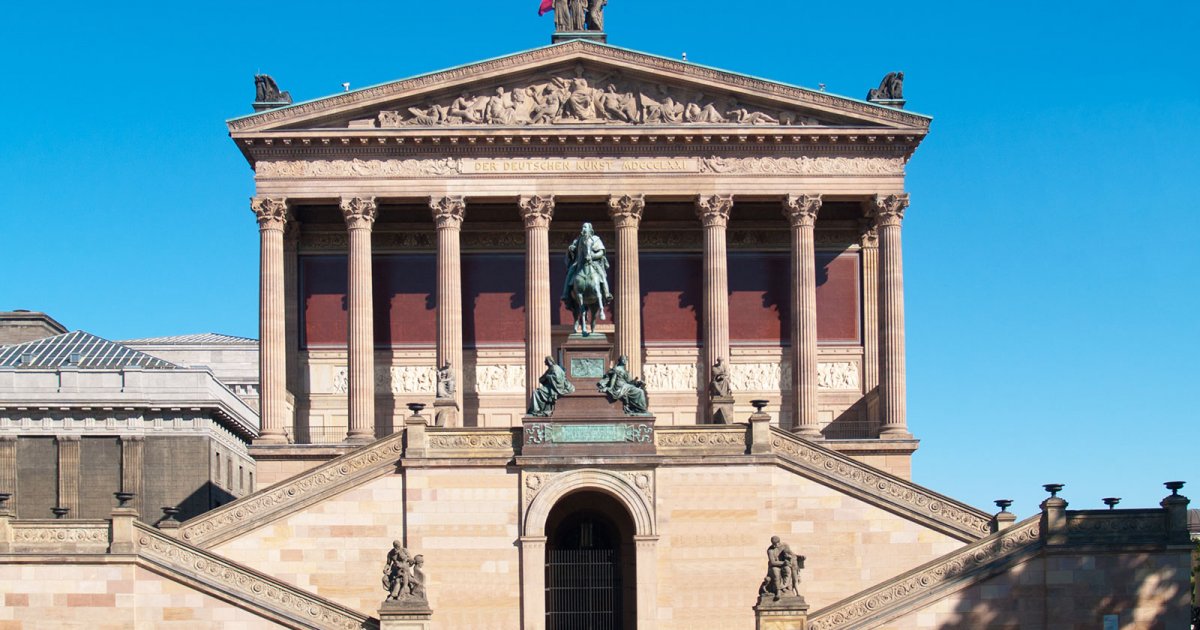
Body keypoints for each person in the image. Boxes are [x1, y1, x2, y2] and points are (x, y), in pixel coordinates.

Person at [561, 222, 612, 307]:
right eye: (583, 227)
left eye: (585, 227)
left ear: (590, 230)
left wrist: (593, 255)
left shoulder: (596, 239)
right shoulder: (577, 240)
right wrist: (571, 249)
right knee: (570, 272)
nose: (583, 229)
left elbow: (601, 252)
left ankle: (607, 294)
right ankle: (565, 294)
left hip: (594, 262)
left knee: (602, 275)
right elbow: (572, 250)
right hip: (579, 262)